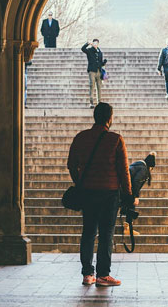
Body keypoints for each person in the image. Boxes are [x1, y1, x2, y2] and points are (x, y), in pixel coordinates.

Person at [66, 102, 134, 287]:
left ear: (95, 117)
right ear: (109, 118)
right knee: (106, 233)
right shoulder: (116, 140)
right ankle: (103, 274)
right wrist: (128, 194)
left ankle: (87, 274)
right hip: (110, 194)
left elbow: (71, 164)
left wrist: (79, 181)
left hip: (88, 191)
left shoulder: (81, 138)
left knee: (88, 232)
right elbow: (124, 171)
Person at [125, 152, 156, 236]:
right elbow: (136, 181)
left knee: (127, 205)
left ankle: (126, 226)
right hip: (125, 188)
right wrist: (136, 196)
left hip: (123, 187)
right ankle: (127, 227)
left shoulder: (137, 165)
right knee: (132, 204)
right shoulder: (143, 169)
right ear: (150, 167)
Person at [81, 39, 106, 108]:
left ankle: (99, 102)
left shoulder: (100, 52)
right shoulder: (89, 50)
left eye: (96, 43)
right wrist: (87, 43)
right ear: (92, 43)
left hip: (98, 71)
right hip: (92, 71)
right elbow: (83, 49)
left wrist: (104, 62)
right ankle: (91, 102)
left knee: (99, 87)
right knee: (92, 85)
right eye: (94, 43)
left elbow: (100, 63)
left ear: (98, 44)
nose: (95, 44)